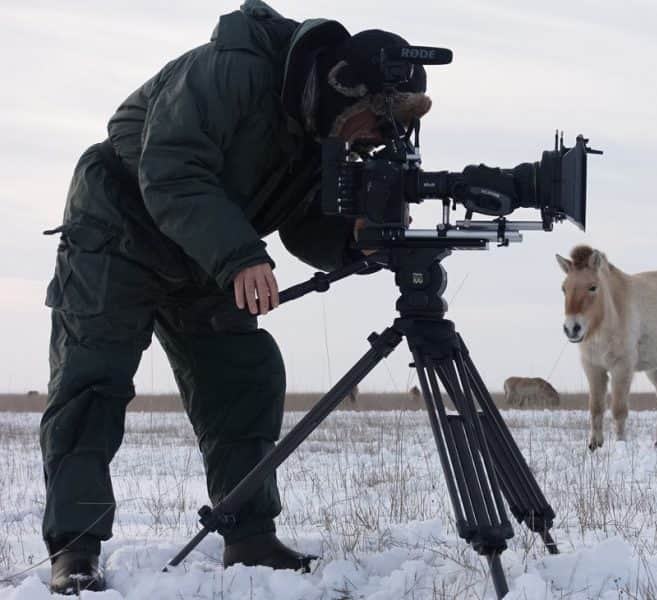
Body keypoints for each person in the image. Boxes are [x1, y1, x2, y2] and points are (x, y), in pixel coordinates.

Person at [39, 0, 432, 593]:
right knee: (92, 381)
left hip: (207, 249)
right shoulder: (235, 72)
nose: (377, 142)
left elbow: (302, 225)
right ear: (345, 93)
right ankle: (75, 548)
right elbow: (170, 169)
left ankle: (249, 537)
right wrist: (241, 256)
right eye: (377, 125)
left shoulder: (319, 131)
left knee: (243, 377)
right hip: (118, 230)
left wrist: (354, 243)